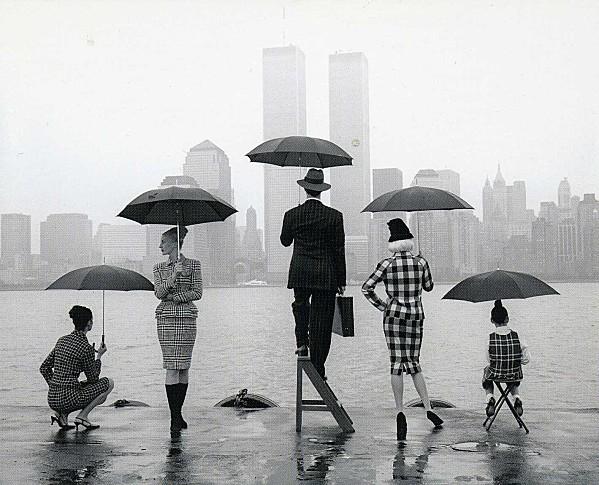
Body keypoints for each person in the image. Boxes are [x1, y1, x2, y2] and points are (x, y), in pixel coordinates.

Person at [361, 218, 443, 441]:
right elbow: (429, 287)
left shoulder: (386, 264)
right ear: (409, 242)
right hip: (416, 315)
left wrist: (383, 305)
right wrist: (424, 263)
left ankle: (400, 412)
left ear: (392, 245)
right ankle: (428, 408)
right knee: (414, 363)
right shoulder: (421, 263)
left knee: (397, 363)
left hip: (393, 316)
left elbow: (366, 288)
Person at [280, 168, 346, 379]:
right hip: (326, 274)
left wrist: (295, 223)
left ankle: (301, 343)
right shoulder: (334, 216)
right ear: (321, 191)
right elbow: (339, 249)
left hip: (300, 271)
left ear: (305, 189)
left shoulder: (292, 214)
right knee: (323, 320)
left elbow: (285, 241)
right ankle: (318, 364)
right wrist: (341, 280)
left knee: (300, 306)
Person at [153, 226, 202, 432]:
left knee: (183, 367)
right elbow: (159, 292)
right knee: (172, 367)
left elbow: (197, 292)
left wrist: (176, 297)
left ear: (175, 243)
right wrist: (173, 276)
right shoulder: (158, 268)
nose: (160, 246)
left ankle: (178, 414)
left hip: (187, 319)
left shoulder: (193, 264)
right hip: (166, 319)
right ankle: (174, 417)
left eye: (163, 242)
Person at [40, 305, 114, 431]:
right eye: (92, 320)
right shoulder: (86, 347)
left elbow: (44, 368)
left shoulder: (62, 340)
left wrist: (54, 384)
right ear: (89, 323)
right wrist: (99, 356)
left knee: (78, 386)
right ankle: (82, 416)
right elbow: (93, 378)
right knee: (109, 383)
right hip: (69, 399)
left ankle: (62, 416)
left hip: (52, 398)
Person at [483, 300, 530, 417]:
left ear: (492, 320)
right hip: (514, 375)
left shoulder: (490, 339)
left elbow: (489, 360)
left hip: (496, 375)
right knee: (512, 373)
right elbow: (526, 360)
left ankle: (490, 399)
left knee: (486, 370)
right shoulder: (518, 337)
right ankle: (516, 398)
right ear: (507, 319)